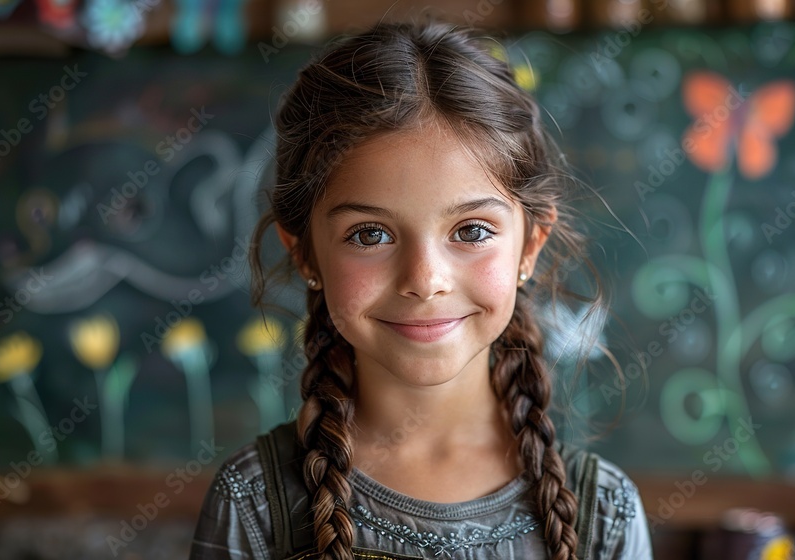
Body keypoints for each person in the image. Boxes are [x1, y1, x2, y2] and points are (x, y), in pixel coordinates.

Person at [189, 18, 652, 560]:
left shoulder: (603, 512)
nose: (424, 280)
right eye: (370, 234)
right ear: (305, 252)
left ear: (530, 245)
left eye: (471, 232)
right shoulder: (256, 504)